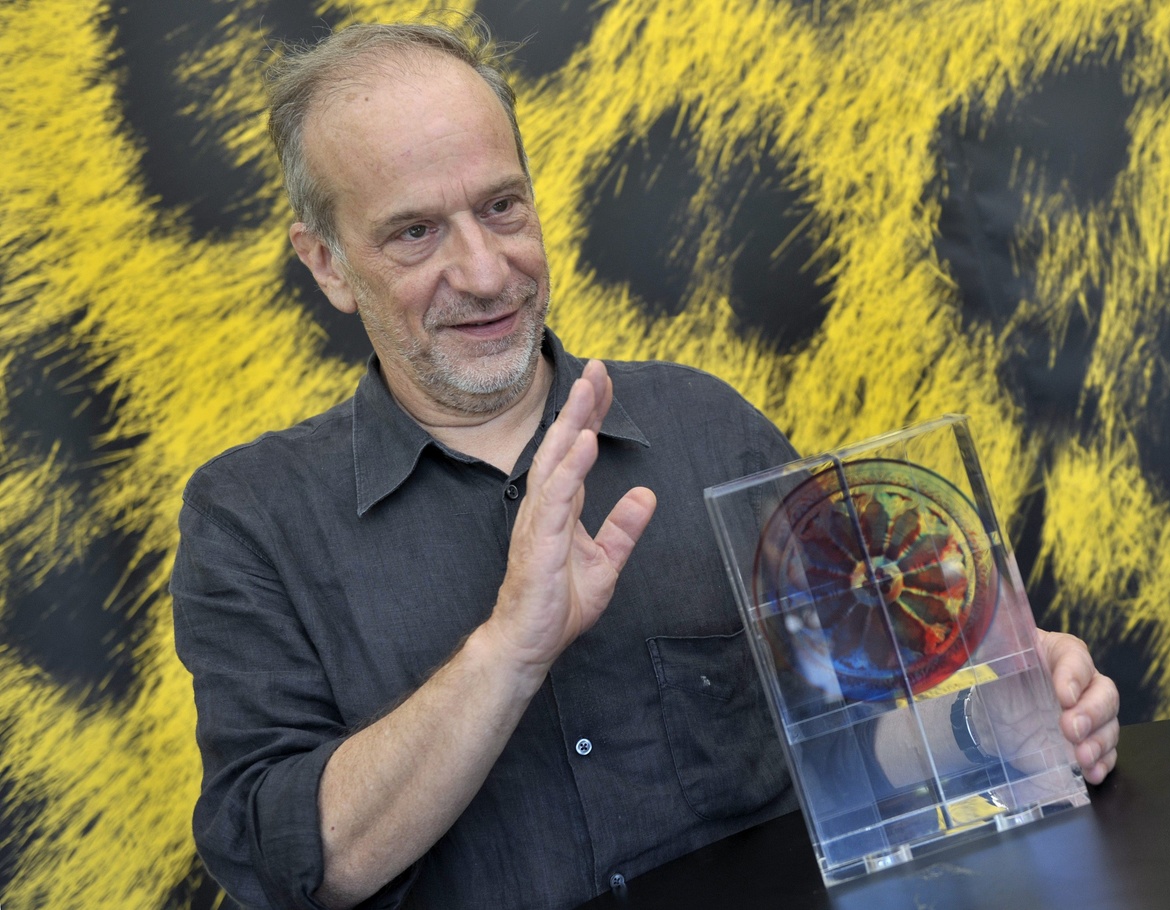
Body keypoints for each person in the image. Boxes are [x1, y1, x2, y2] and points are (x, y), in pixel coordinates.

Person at [171, 17, 1120, 910]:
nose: (487, 272)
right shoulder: (250, 519)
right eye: (416, 232)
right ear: (327, 262)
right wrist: (511, 648)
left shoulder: (705, 425)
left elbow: (855, 734)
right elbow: (297, 864)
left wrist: (986, 724)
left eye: (503, 207)